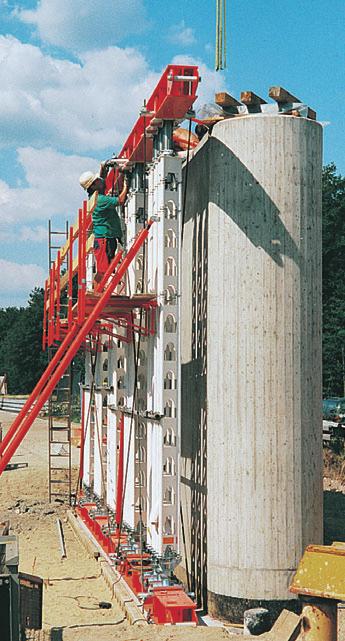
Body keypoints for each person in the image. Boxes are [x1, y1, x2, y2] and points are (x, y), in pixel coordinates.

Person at [79, 161, 129, 282]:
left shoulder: (96, 197)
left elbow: (102, 181)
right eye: (97, 181)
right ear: (93, 185)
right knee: (103, 271)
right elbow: (121, 200)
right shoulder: (101, 200)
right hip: (104, 240)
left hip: (105, 238)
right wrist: (126, 183)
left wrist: (103, 168)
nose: (101, 181)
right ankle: (97, 293)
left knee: (106, 269)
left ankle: (98, 293)